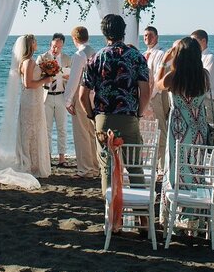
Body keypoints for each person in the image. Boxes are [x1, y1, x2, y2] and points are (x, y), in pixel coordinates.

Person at [78, 14, 150, 192]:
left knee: (107, 169)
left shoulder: (95, 58)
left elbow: (82, 96)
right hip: (129, 117)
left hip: (104, 118)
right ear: (124, 32)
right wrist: (139, 113)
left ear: (104, 33)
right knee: (134, 168)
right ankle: (140, 211)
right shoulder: (137, 56)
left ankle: (110, 215)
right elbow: (145, 92)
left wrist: (92, 115)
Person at [157, 37, 214, 228]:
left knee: (176, 169)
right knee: (196, 170)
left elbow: (158, 85)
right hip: (198, 128)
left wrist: (166, 61)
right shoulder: (204, 76)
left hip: (179, 129)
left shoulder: (173, 77)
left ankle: (175, 218)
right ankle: (195, 218)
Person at [63, 26, 99, 179]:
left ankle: (85, 169)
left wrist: (67, 101)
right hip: (94, 95)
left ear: (74, 39)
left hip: (81, 95)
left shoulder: (79, 55)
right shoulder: (95, 52)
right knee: (92, 132)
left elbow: (74, 80)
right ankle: (95, 166)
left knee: (81, 133)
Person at [15, 34, 52, 178]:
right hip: (31, 101)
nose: (37, 43)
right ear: (30, 45)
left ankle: (32, 163)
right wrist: (45, 80)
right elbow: (28, 84)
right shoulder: (29, 62)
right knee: (32, 131)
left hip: (32, 100)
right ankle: (31, 165)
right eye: (35, 41)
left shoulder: (25, 61)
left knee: (32, 131)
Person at [141, 26, 172, 178]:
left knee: (160, 131)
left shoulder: (161, 54)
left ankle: (162, 167)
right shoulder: (144, 54)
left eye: (150, 35)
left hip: (156, 96)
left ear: (157, 37)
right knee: (149, 131)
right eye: (145, 35)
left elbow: (159, 78)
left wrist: (150, 96)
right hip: (146, 97)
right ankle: (151, 164)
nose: (147, 38)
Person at [38, 33, 72, 167]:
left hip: (61, 95)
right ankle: (47, 156)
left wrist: (65, 76)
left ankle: (62, 158)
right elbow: (36, 75)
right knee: (46, 128)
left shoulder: (67, 59)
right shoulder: (42, 58)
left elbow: (72, 77)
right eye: (53, 46)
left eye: (58, 47)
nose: (55, 49)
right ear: (50, 44)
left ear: (62, 46)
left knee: (62, 128)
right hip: (46, 95)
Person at [191, 29, 214, 131]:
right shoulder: (198, 57)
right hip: (197, 100)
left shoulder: (210, 58)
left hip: (207, 101)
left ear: (203, 41)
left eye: (195, 41)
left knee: (207, 131)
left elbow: (205, 83)